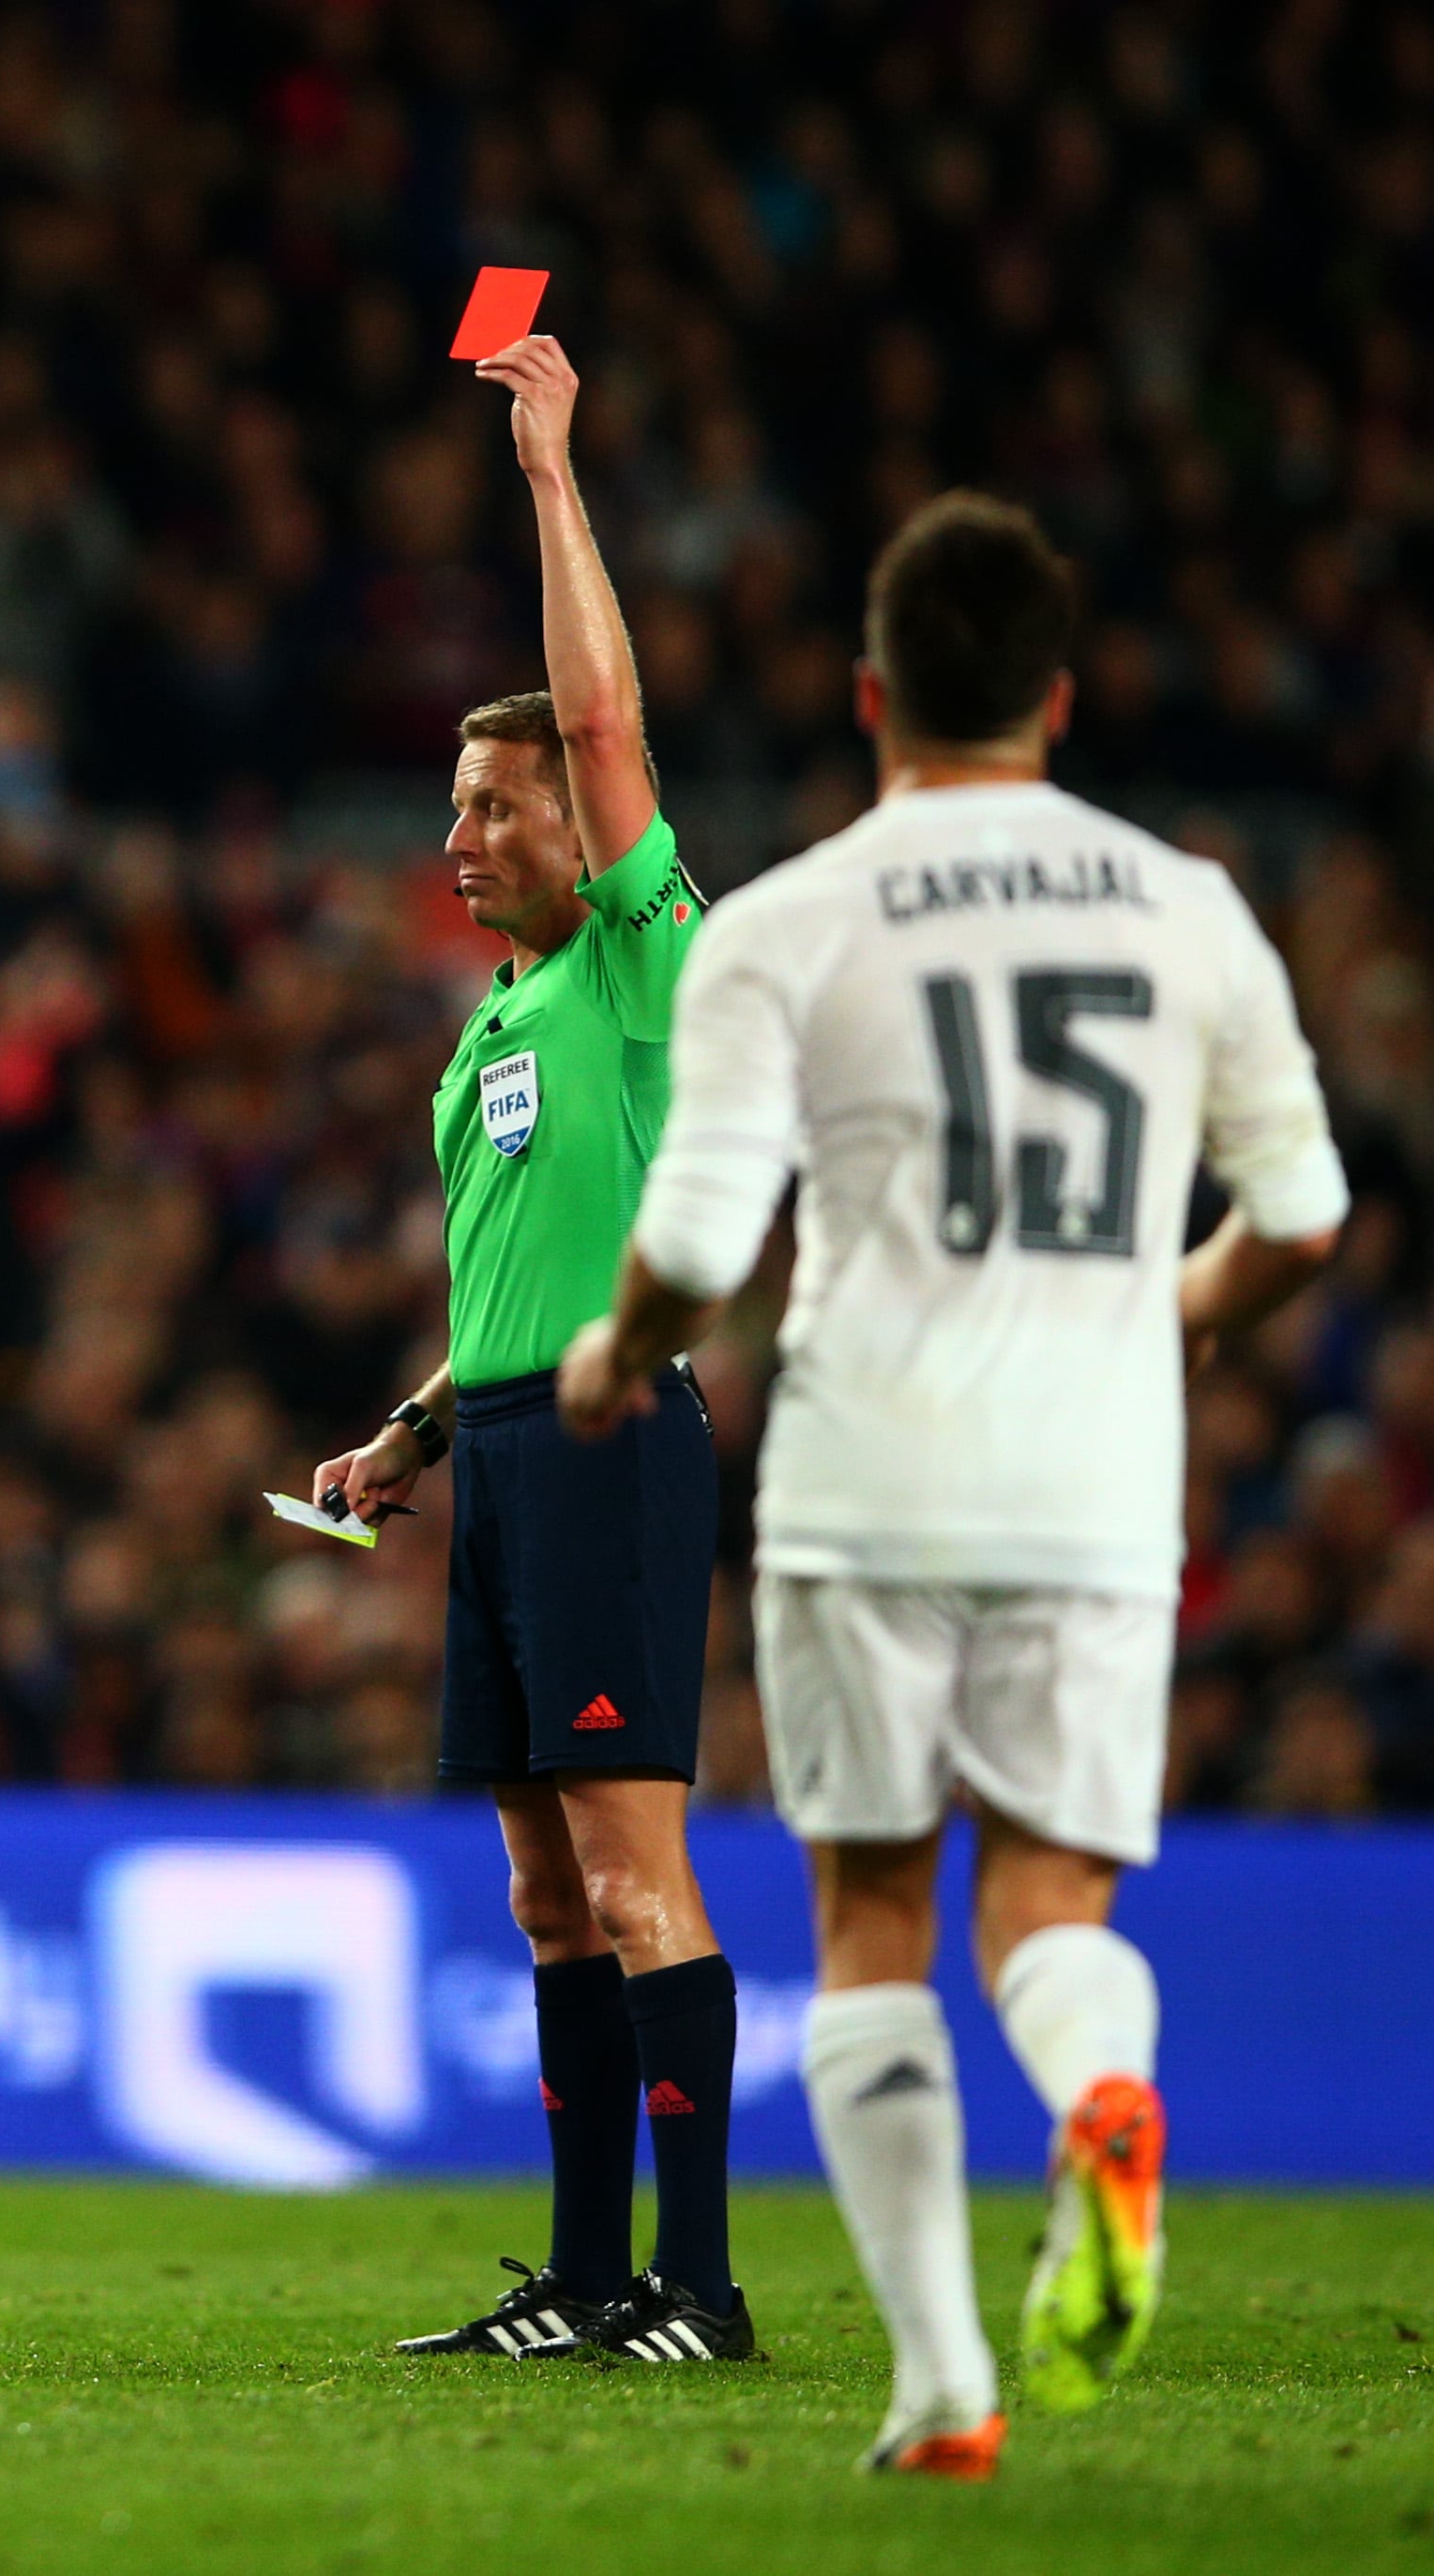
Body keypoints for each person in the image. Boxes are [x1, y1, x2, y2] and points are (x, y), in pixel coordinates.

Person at [557, 493, 1348, 2476]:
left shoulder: (794, 918)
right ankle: (1096, 2091)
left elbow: (704, 1235)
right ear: (1059, 700)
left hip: (865, 1482)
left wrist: (600, 1349)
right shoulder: (1184, 906)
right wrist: (1165, 1304)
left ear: (863, 695)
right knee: (1053, 1898)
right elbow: (1308, 1216)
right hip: (1093, 1479)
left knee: (870, 1918)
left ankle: (940, 2392)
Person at [306, 334, 748, 2368]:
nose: (459, 835)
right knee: (544, 1899)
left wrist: (547, 468)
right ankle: (582, 2284)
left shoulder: (640, 968)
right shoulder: (490, 1026)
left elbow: (597, 702)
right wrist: (403, 1437)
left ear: (590, 824)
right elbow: (499, 1283)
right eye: (453, 805)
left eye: (493, 805)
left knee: (635, 1872)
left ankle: (701, 2290)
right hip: (496, 1447)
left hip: (604, 1445)